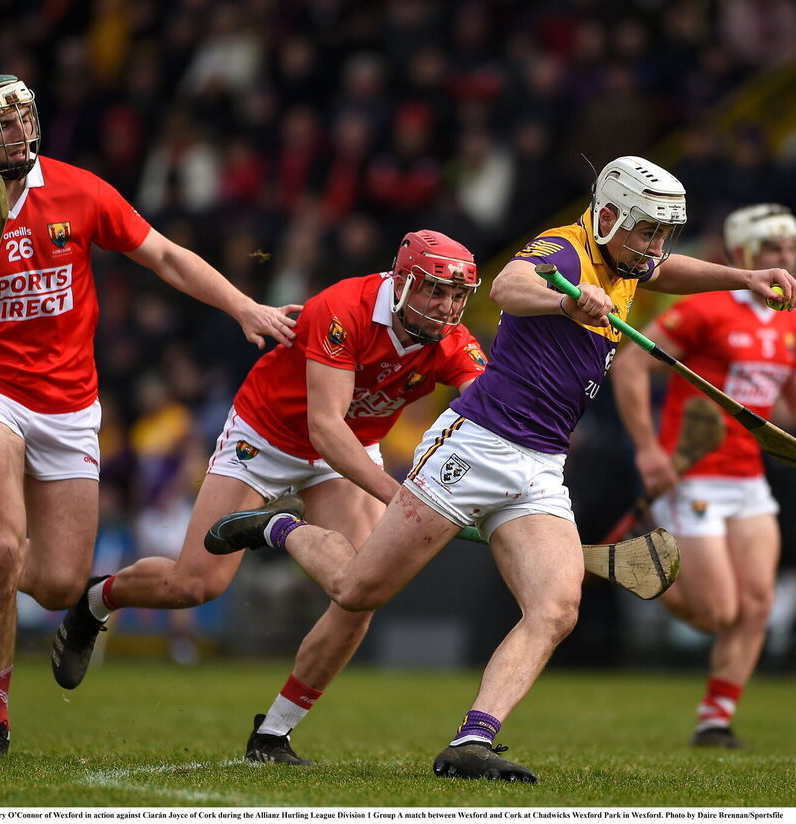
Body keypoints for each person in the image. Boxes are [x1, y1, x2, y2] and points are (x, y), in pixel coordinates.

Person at [206, 157, 796, 782]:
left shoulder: (627, 258)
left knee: (556, 607)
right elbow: (507, 287)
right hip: (477, 445)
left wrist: (743, 277)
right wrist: (566, 304)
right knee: (358, 591)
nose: (655, 247)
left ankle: (472, 741)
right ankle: (276, 529)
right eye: (646, 231)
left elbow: (666, 271)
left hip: (543, 464)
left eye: (662, 233)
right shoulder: (565, 252)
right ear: (606, 216)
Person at [0, 74, 299, 760]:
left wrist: (243, 305)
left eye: (22, 118)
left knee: (61, 583)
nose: (17, 132)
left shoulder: (78, 190)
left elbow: (163, 254)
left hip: (69, 404)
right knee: (10, 549)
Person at [50, 229, 488, 766]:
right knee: (194, 585)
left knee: (361, 594)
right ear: (401, 283)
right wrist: (402, 496)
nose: (447, 308)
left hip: (349, 450)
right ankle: (96, 600)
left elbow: (488, 414)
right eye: (434, 292)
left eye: (456, 296)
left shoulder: (454, 341)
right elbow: (324, 426)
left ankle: (273, 735)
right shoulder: (342, 309)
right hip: (269, 434)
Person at [611, 203, 796, 749]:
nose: (786, 259)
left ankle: (716, 719)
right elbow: (632, 363)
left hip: (749, 480)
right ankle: (642, 563)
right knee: (716, 611)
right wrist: (647, 450)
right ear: (745, 254)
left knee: (758, 603)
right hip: (693, 475)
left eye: (791, 248)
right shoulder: (705, 310)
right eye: (773, 249)